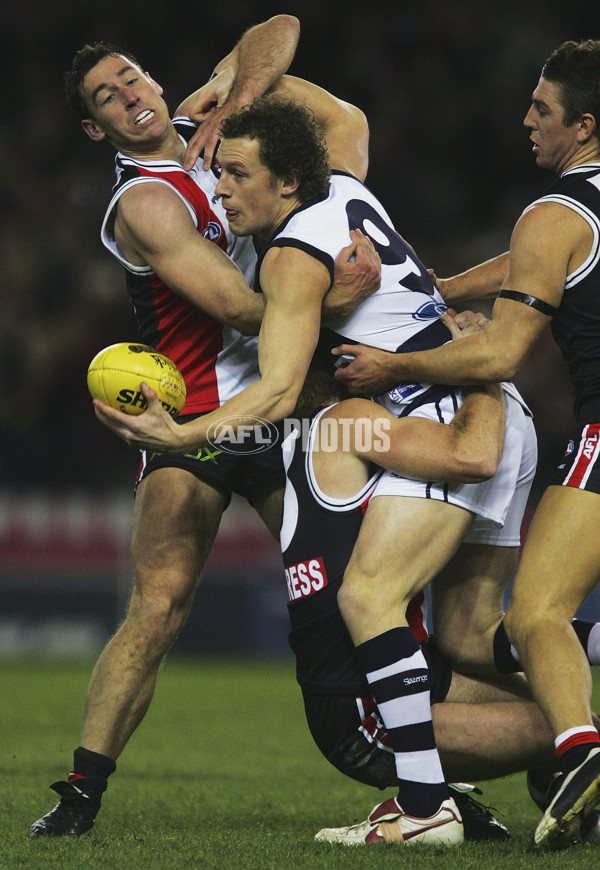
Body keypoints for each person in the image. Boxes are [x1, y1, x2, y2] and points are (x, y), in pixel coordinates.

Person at [94, 85, 539, 847]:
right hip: (490, 403)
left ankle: (425, 806)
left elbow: (272, 391)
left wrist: (180, 437)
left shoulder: (294, 255)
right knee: (473, 634)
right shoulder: (351, 188)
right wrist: (249, 75)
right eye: (220, 173)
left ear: (289, 180)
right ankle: (567, 737)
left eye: (236, 174)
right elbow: (347, 116)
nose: (221, 190)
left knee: (368, 598)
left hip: (436, 412)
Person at [29, 18, 381, 838]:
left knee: (363, 586)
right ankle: (79, 795)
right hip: (195, 419)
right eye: (108, 98)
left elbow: (284, 34)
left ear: (153, 80)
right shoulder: (145, 201)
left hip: (285, 405)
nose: (130, 96)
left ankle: (426, 775)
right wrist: (335, 299)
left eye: (133, 77)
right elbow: (235, 306)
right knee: (157, 605)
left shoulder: (212, 130)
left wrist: (237, 92)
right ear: (97, 128)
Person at [332, 39, 600, 850]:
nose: (526, 120)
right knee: (467, 630)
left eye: (542, 110)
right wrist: (440, 287)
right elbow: (539, 265)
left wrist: (392, 361)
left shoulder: (555, 212)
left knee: (536, 614)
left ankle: (582, 752)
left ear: (584, 125)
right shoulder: (561, 224)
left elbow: (499, 352)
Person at [282, 353, 600, 844]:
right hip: (367, 710)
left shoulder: (294, 442)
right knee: (570, 733)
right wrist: (483, 365)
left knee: (551, 703)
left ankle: (564, 769)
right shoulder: (346, 420)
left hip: (395, 675)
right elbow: (470, 454)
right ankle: (432, 805)